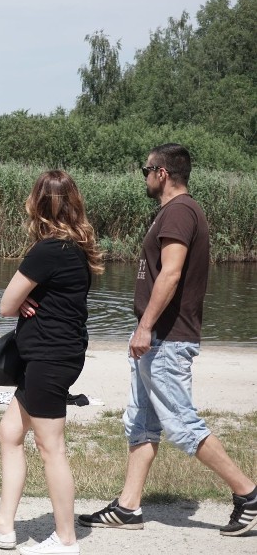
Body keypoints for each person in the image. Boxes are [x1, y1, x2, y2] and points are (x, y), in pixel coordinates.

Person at [78, 143, 256, 537]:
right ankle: (128, 507)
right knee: (141, 423)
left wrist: (146, 329)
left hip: (165, 338)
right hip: (157, 336)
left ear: (161, 173)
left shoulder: (178, 212)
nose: (143, 176)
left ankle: (249, 495)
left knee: (182, 425)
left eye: (146, 169)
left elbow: (171, 274)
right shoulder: (179, 212)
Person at [0, 170, 103, 554]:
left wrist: (22, 301)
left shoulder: (48, 250)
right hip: (56, 355)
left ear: (38, 204)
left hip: (49, 358)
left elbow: (6, 304)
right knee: (9, 434)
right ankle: (3, 527)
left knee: (50, 447)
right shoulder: (75, 248)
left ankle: (66, 539)